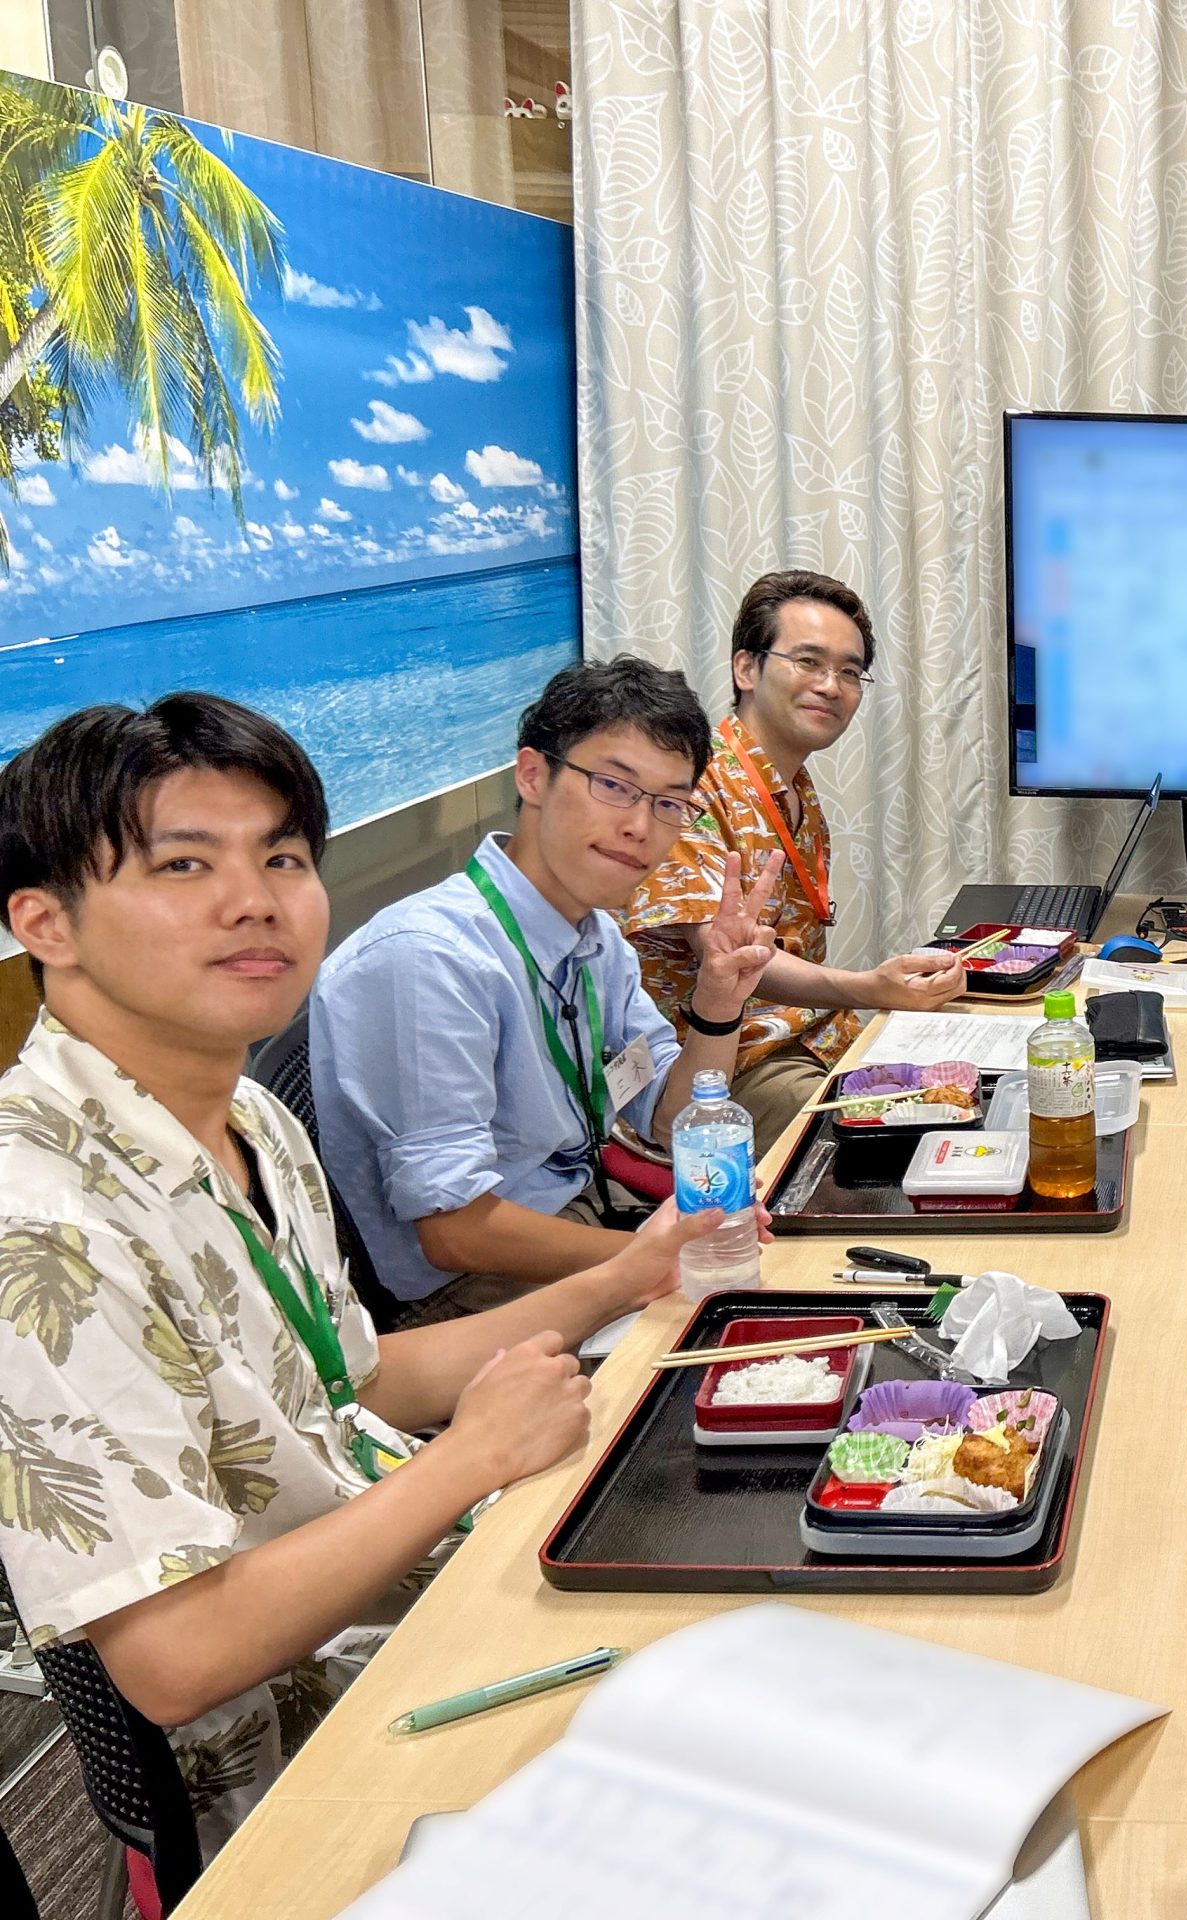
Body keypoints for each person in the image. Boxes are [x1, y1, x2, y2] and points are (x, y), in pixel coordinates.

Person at [0, 693, 723, 1855]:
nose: (256, 899)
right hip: (321, 1745)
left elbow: (354, 1380)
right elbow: (177, 1665)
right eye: (183, 864)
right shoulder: (37, 1225)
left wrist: (627, 1274)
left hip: (412, 1581)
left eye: (282, 856)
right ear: (47, 923)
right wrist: (475, 1460)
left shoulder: (242, 1118)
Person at [311, 658, 781, 1319]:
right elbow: (456, 1232)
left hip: (585, 1223)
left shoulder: (595, 939)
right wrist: (644, 1260)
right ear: (534, 775)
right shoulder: (432, 959)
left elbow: (673, 1119)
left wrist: (718, 1002)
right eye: (615, 786)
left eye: (669, 803)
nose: (641, 827)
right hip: (472, 1295)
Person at [625, 571, 965, 1152]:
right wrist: (869, 986)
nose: (831, 686)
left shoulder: (790, 785)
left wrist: (875, 992)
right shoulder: (689, 785)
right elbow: (726, 957)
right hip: (725, 1069)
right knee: (908, 1149)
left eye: (850, 672)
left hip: (813, 1038)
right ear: (746, 669)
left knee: (978, 1086)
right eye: (808, 661)